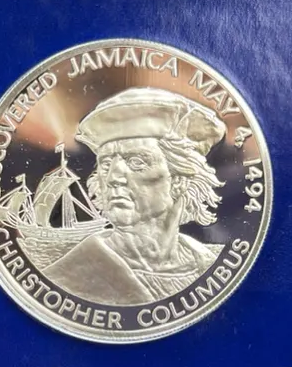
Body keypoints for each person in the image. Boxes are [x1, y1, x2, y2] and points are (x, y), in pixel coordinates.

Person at [42, 88, 227, 304]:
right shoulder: (64, 278)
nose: (112, 178)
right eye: (106, 164)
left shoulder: (209, 264)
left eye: (136, 162)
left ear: (179, 180)